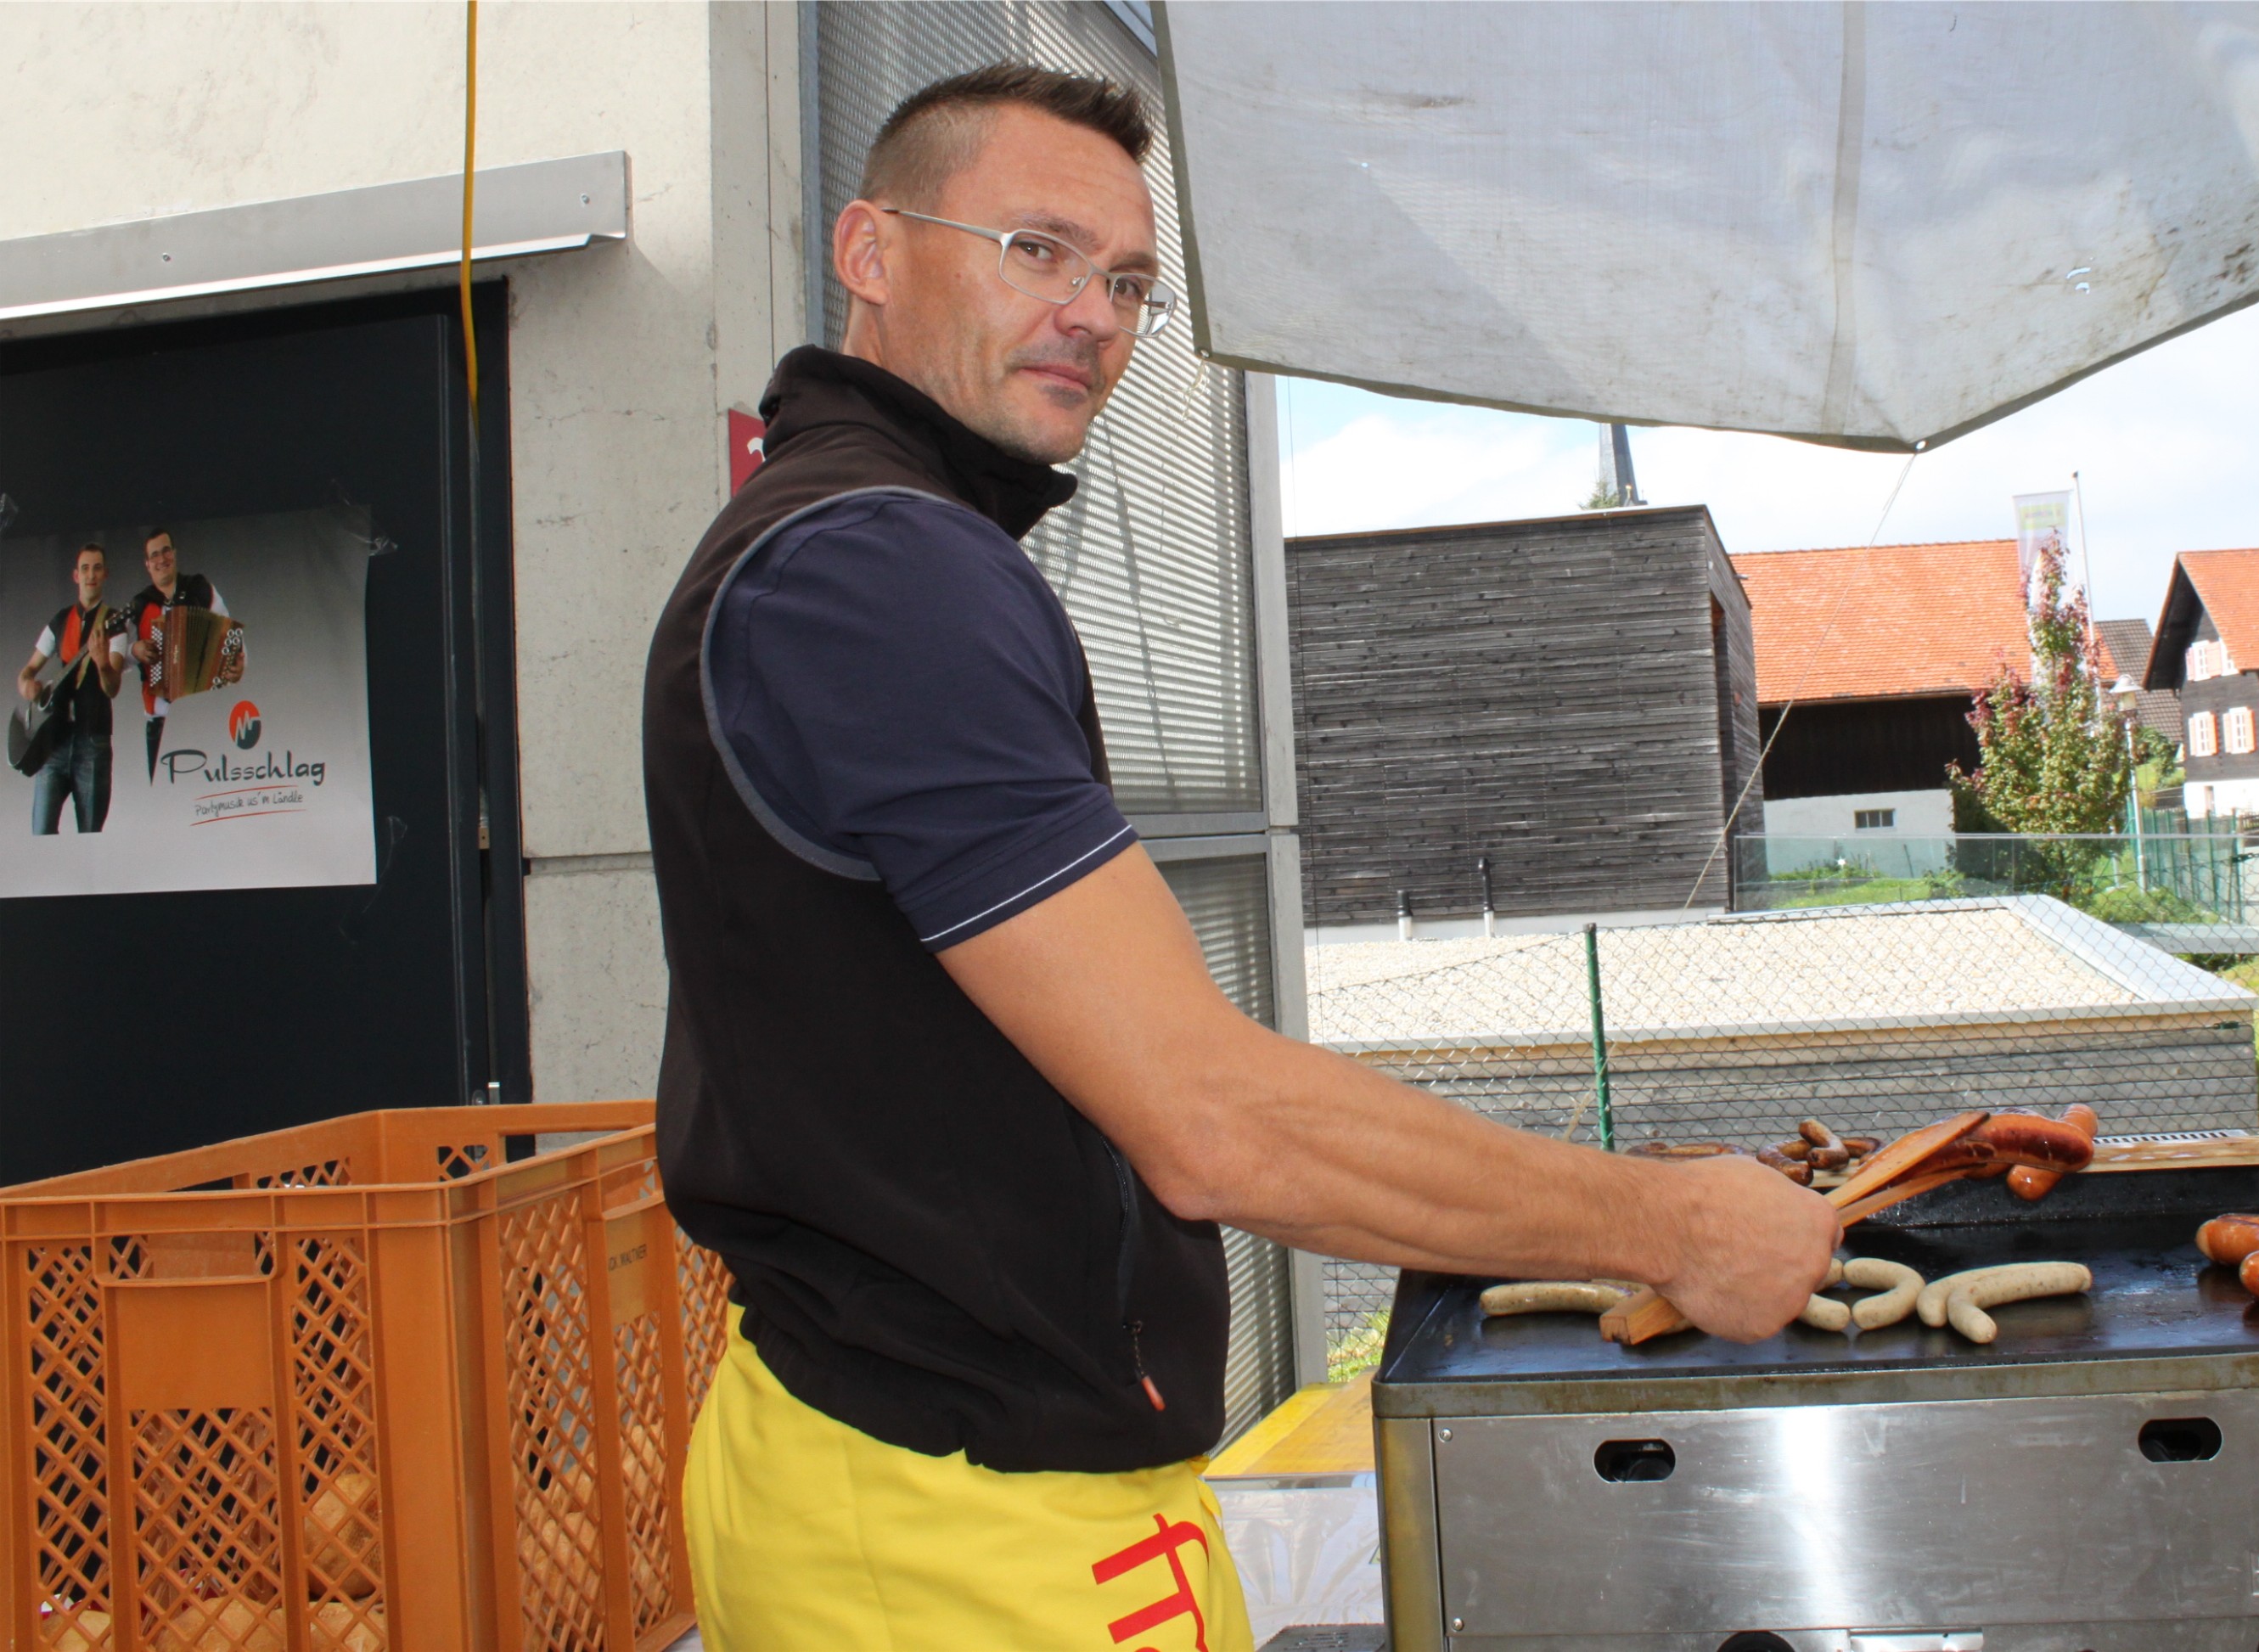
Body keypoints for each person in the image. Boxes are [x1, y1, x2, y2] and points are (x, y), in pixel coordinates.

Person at [643, 63, 1839, 1652]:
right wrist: (1667, 1226)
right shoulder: (878, 574)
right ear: (871, 250)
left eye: (1128, 280)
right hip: (943, 1524)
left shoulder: (874, 546)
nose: (1092, 314)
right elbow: (1209, 1120)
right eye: (1036, 249)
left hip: (955, 1477)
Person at [18, 542, 125, 834]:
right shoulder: (60, 621)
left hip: (93, 743)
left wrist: (103, 665)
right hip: (53, 741)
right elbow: (28, 671)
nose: (91, 575)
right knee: (41, 834)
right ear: (76, 576)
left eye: (97, 568)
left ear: (105, 574)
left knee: (90, 838)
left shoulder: (115, 623)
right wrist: (27, 686)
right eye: (85, 569)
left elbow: (112, 688)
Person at [125, 527, 230, 781]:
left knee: (207, 788)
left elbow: (229, 635)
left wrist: (235, 661)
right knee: (162, 791)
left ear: (174, 553)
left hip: (201, 712)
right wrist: (134, 650)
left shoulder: (199, 588)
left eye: (166, 551)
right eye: (155, 555)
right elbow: (114, 660)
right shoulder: (139, 604)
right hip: (160, 720)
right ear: (147, 564)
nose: (161, 559)